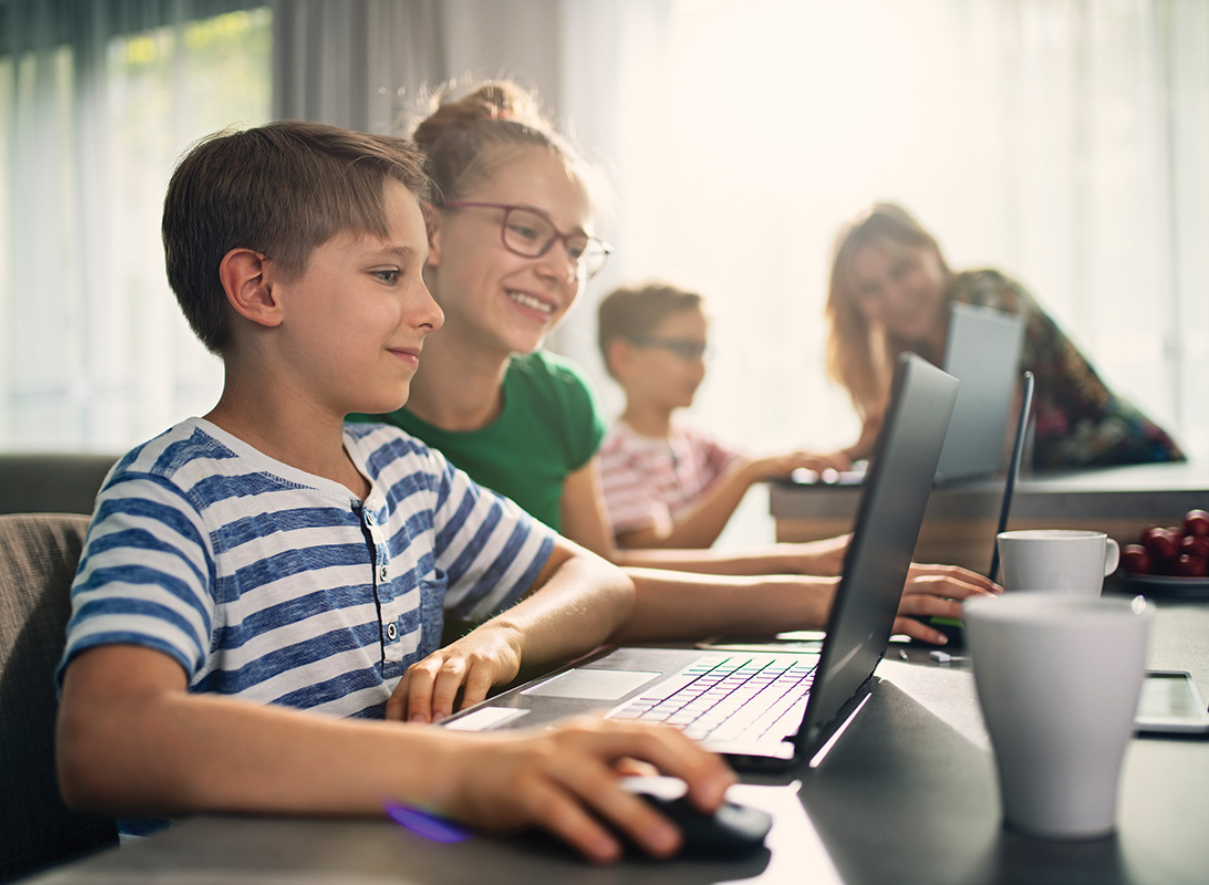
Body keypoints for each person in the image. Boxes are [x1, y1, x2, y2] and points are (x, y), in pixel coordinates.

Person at [54, 120, 738, 866]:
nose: (429, 310)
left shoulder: (406, 471)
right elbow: (105, 738)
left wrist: (500, 640)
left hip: (396, 854)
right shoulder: (173, 493)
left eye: (421, 273)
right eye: (388, 275)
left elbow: (598, 580)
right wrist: (465, 772)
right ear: (259, 287)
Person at [358, 80, 995, 640]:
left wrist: (817, 561)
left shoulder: (559, 398)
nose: (558, 268)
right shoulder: (358, 412)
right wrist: (816, 593)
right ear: (431, 232)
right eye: (526, 231)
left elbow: (602, 572)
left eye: (576, 248)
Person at [823, 202, 1185, 470]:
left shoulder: (987, 295)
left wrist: (877, 449)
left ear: (932, 251)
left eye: (902, 270)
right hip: (1068, 484)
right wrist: (856, 452)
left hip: (1133, 467)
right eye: (871, 289)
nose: (894, 297)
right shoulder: (908, 352)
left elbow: (989, 445)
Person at [596, 281, 844, 549]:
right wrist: (746, 475)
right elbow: (657, 555)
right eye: (686, 349)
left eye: (703, 351)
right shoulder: (612, 454)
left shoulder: (690, 439)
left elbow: (762, 462)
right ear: (624, 357)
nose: (701, 367)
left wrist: (855, 450)